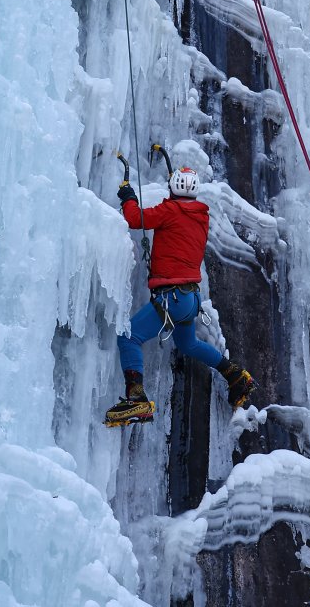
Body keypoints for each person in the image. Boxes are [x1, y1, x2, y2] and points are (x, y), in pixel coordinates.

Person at [104, 165, 255, 427]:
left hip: (171, 298)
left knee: (129, 337)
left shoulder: (170, 210)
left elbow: (135, 219)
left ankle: (136, 399)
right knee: (188, 344)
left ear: (173, 187)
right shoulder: (201, 217)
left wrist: (128, 195)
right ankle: (235, 375)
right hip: (189, 300)